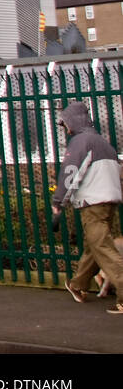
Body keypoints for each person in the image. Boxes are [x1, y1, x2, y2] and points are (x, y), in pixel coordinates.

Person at [52, 100, 123, 312]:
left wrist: (58, 202)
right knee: (94, 245)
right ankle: (78, 285)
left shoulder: (80, 142)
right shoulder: (103, 143)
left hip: (93, 202)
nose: (66, 129)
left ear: (73, 121)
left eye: (65, 124)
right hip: (109, 202)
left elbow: (71, 172)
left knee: (102, 247)